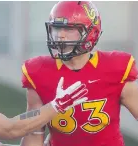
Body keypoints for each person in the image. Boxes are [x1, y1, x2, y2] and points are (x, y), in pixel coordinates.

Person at [20, 1, 138, 146]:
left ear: (91, 32)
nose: (60, 36)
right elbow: (34, 132)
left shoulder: (115, 69)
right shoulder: (38, 72)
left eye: (69, 29)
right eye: (57, 28)